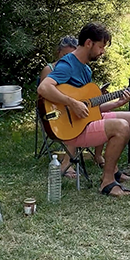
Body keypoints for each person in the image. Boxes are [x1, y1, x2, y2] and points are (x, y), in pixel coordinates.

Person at [37, 23, 130, 197]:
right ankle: (107, 182)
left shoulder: (86, 69)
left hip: (84, 121)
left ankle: (113, 170)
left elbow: (91, 108)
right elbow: (44, 88)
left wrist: (117, 103)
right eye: (101, 46)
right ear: (89, 43)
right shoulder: (68, 64)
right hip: (70, 128)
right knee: (121, 126)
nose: (102, 51)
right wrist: (71, 103)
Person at [39, 35, 105, 171]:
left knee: (99, 113)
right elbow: (43, 95)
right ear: (59, 53)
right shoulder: (51, 69)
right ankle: (67, 162)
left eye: (71, 54)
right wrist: (71, 103)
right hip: (57, 112)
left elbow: (83, 96)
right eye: (65, 55)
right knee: (77, 118)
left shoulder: (85, 69)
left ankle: (99, 156)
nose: (68, 57)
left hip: (75, 109)